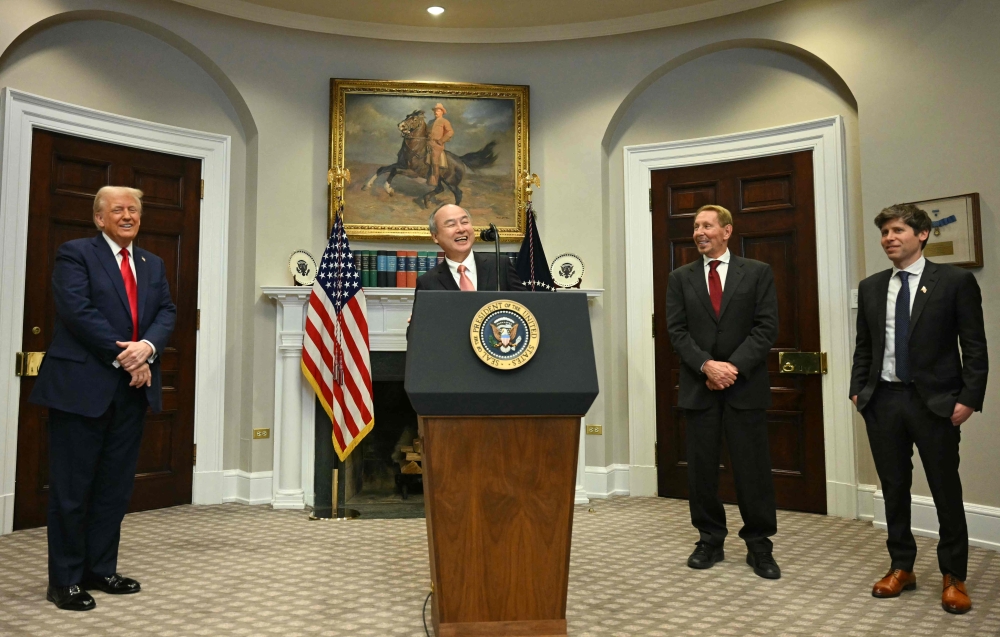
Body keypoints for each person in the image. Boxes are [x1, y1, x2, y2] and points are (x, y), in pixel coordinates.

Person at [29, 186, 177, 611]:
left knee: (113, 488)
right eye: (118, 210)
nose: (128, 216)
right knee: (72, 491)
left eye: (134, 209)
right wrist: (128, 356)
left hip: (130, 393)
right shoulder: (75, 254)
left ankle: (100, 568)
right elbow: (77, 312)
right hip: (81, 390)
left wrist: (147, 348)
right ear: (99, 218)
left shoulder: (153, 263)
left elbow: (166, 312)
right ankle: (65, 581)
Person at [851, 203, 987, 615]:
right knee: (893, 487)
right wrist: (859, 390)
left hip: (935, 404)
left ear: (922, 234)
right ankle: (901, 566)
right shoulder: (872, 286)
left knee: (945, 489)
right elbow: (865, 347)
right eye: (884, 233)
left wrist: (968, 398)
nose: (888, 239)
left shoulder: (954, 282)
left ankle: (953, 576)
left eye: (896, 231)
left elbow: (975, 347)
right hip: (884, 401)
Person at [665, 204, 781, 579]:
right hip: (700, 389)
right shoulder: (679, 278)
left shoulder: (758, 272)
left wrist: (731, 367)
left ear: (727, 231)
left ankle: (760, 546)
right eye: (696, 226)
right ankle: (709, 540)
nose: (699, 232)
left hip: (744, 387)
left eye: (707, 226)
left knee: (753, 471)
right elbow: (676, 331)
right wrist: (706, 366)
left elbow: (766, 327)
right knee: (701, 473)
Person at [416, 204, 523, 291]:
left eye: (464, 222)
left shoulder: (500, 265)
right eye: (451, 224)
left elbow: (527, 306)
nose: (461, 229)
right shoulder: (427, 282)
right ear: (435, 236)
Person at [427, 103, 453, 186]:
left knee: (434, 158)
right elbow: (426, 131)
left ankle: (435, 178)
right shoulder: (430, 122)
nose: (436, 112)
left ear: (442, 112)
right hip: (428, 142)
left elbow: (450, 132)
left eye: (438, 111)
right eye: (435, 111)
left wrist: (442, 140)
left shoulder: (445, 121)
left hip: (437, 145)